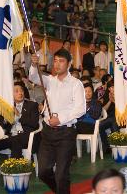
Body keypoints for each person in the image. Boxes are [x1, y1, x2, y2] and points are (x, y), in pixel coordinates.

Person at [29, 48, 85, 194]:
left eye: (61, 61)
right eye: (55, 60)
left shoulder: (76, 84)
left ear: (69, 64)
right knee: (42, 172)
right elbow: (34, 77)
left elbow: (81, 109)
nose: (57, 64)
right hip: (47, 133)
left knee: (61, 175)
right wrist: (34, 65)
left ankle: (62, 190)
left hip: (66, 133)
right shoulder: (49, 80)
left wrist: (60, 119)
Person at [0, 82, 40, 158]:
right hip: (11, 135)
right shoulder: (9, 107)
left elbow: (34, 123)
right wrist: (5, 119)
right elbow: (4, 126)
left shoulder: (32, 105)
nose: (20, 93)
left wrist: (19, 115)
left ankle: (15, 167)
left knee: (16, 141)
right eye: (16, 91)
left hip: (26, 136)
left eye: (22, 91)